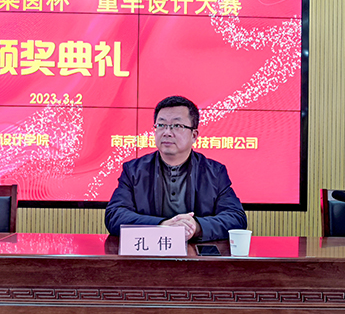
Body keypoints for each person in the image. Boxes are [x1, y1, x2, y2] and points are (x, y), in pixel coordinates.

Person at [105, 96, 247, 241]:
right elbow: (114, 215)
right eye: (161, 125)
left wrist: (196, 227)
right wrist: (162, 226)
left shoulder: (215, 172)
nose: (167, 132)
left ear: (194, 135)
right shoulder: (134, 170)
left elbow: (236, 218)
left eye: (177, 126)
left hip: (196, 253)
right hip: (150, 251)